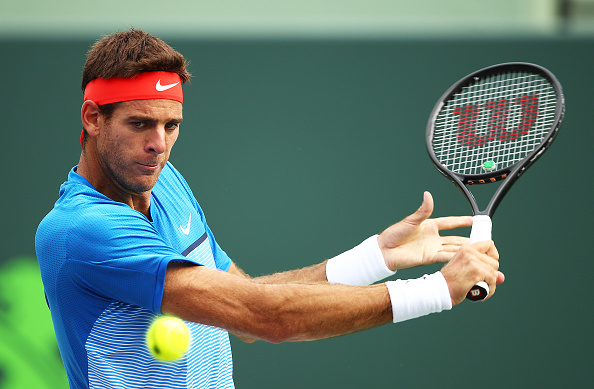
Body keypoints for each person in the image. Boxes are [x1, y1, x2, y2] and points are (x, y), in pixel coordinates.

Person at [35, 29, 504, 389]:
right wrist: (437, 290)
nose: (159, 145)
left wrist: (375, 258)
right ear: (92, 118)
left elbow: (240, 298)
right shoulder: (80, 230)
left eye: (171, 125)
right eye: (139, 124)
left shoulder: (166, 182)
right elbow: (266, 318)